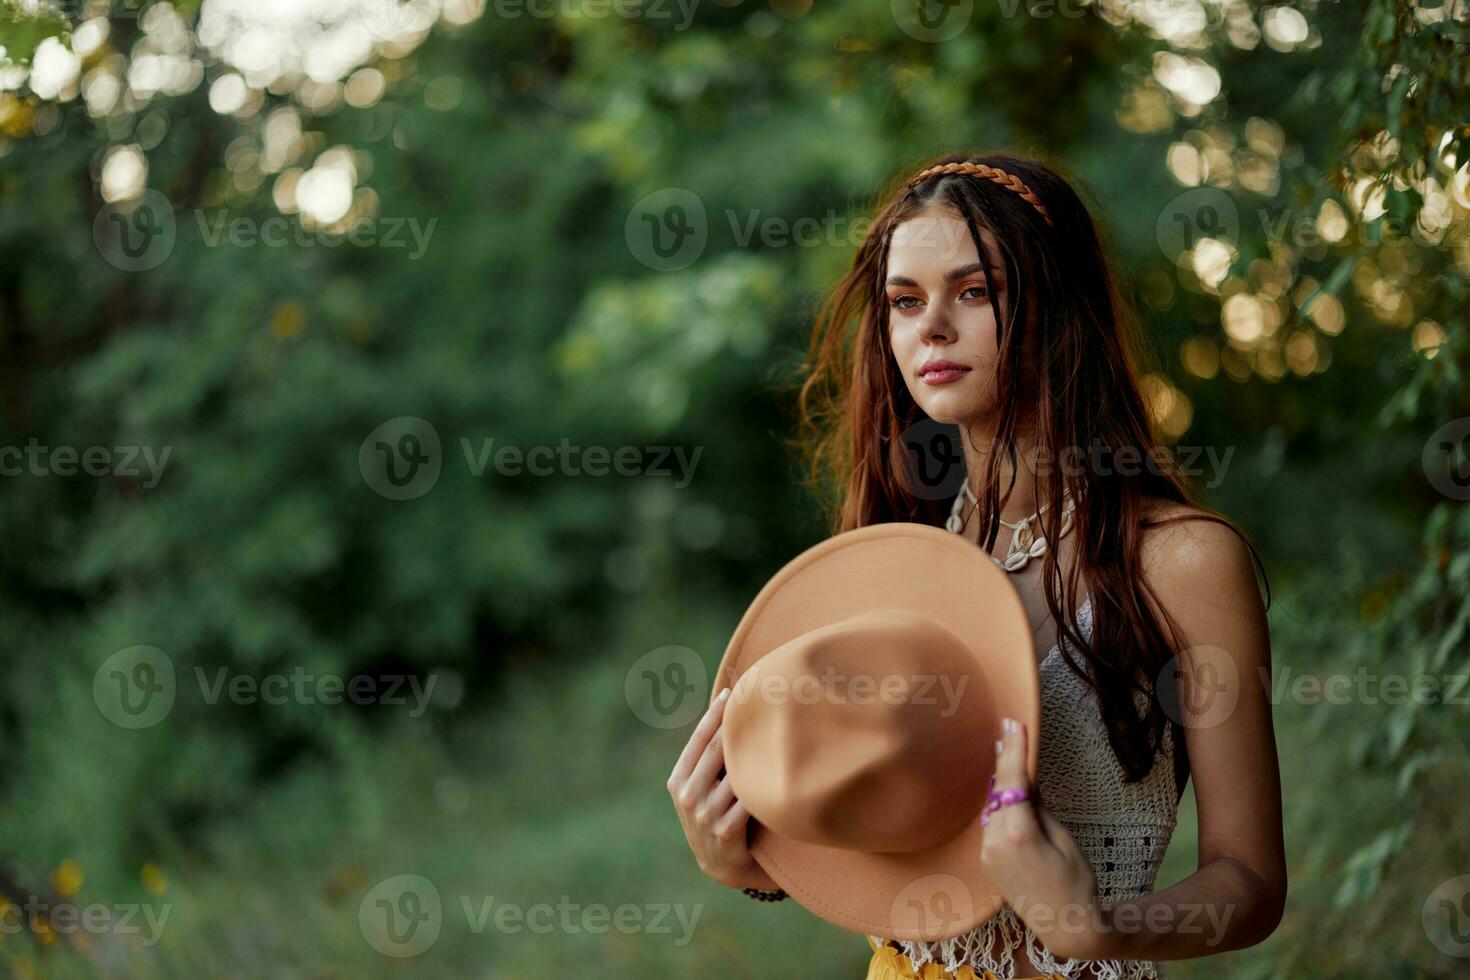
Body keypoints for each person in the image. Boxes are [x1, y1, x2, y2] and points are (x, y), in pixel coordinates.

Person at [668, 152, 1286, 979]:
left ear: (1056, 305)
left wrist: (1097, 928)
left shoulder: (1180, 561)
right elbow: (883, 837)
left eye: (975, 291)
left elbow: (1249, 881)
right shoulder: (892, 557)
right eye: (904, 301)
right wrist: (744, 861)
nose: (932, 328)